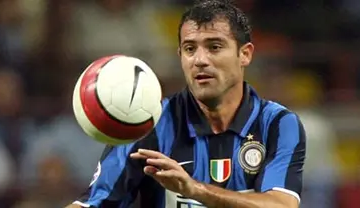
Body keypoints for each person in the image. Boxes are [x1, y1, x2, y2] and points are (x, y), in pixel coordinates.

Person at [66, 0, 306, 207]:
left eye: (214, 47)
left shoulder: (277, 124)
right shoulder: (148, 123)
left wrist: (194, 189)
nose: (200, 60)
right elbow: (93, 204)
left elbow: (281, 205)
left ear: (245, 54)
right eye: (190, 49)